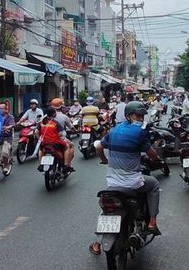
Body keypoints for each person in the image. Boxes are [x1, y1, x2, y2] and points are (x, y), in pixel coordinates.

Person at [89, 101, 161, 255]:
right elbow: (152, 155)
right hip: (133, 182)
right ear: (129, 116)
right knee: (154, 184)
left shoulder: (114, 131)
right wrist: (156, 159)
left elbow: (99, 147)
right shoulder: (139, 133)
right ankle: (153, 222)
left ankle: (96, 242)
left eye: (142, 116)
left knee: (108, 207)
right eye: (138, 116)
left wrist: (104, 160)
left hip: (113, 182)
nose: (140, 119)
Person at [38, 106, 74, 175]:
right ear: (53, 114)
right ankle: (66, 165)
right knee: (67, 146)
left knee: (40, 149)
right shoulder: (55, 123)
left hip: (44, 142)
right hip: (54, 142)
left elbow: (37, 131)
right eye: (55, 112)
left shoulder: (42, 122)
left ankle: (40, 164)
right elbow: (61, 134)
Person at [51, 98, 75, 168]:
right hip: (59, 138)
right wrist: (75, 130)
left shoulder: (46, 117)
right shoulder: (64, 117)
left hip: (47, 138)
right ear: (61, 107)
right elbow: (71, 127)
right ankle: (66, 164)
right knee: (71, 145)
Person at [0, 102, 15, 169]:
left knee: (5, 152)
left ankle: (5, 166)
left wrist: (7, 127)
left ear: (6, 110)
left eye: (1, 108)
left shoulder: (10, 117)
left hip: (7, 138)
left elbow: (12, 125)